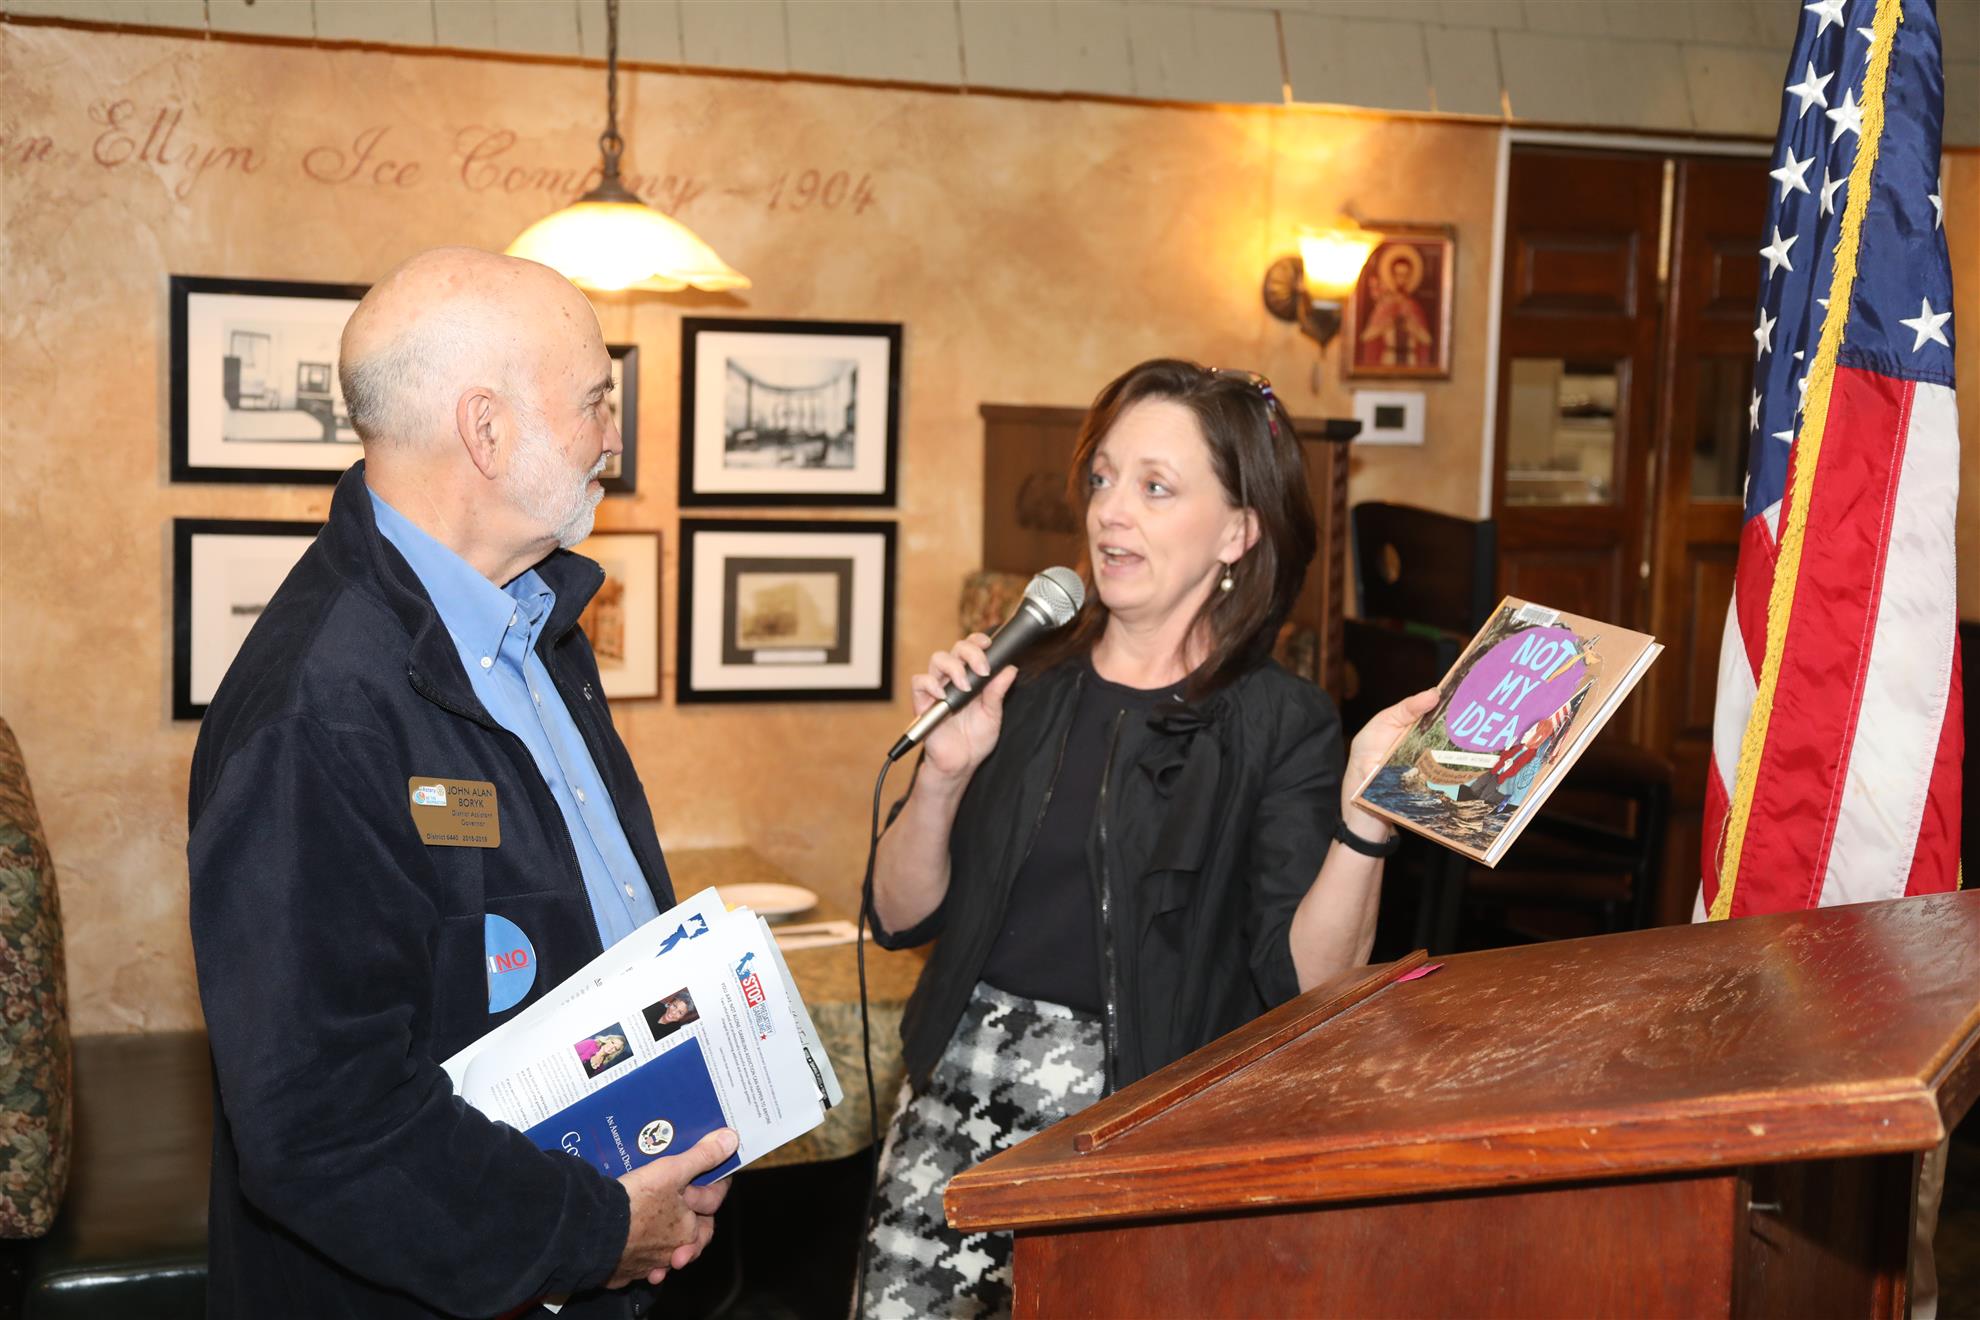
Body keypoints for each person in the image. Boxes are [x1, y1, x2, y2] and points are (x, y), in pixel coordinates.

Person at [187, 247, 736, 1319]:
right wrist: (594, 1233)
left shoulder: (534, 621)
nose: (614, 438)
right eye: (596, 402)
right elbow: (324, 1126)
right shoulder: (315, 711)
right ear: (485, 430)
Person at [858, 359, 1436, 1317]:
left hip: (1143, 1131)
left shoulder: (1281, 723)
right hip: (956, 1102)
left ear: (1238, 532)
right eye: (1103, 479)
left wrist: (1365, 822)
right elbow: (895, 914)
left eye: (1155, 487)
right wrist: (945, 775)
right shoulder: (1022, 678)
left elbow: (1310, 984)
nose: (1110, 513)